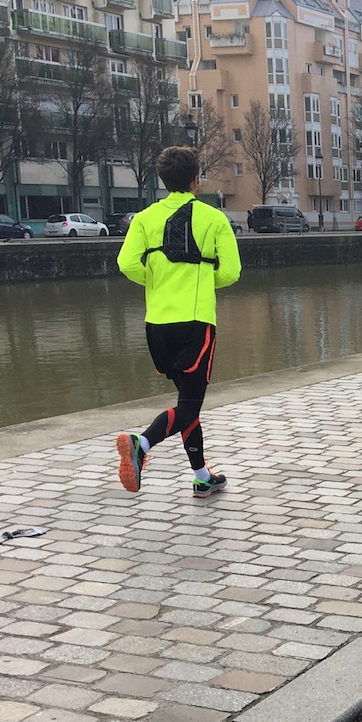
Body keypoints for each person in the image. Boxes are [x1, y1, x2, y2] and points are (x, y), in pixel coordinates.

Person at [115, 145, 242, 500]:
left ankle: (202, 477)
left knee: (188, 400)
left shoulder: (143, 218)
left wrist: (157, 281)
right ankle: (142, 443)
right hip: (195, 322)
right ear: (196, 179)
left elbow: (126, 264)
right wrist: (199, 282)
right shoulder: (214, 218)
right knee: (189, 404)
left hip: (157, 325)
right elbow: (231, 272)